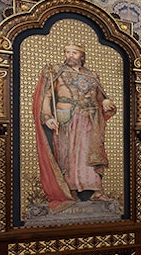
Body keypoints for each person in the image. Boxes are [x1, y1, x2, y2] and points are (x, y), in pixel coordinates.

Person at [33, 42, 116, 207]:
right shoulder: (57, 72)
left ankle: (95, 191)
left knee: (89, 153)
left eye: (74, 52)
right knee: (68, 154)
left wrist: (106, 100)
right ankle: (69, 190)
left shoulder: (93, 75)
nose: (70, 55)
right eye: (67, 52)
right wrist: (47, 116)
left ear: (82, 56)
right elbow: (47, 95)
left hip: (89, 120)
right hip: (67, 119)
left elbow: (101, 97)